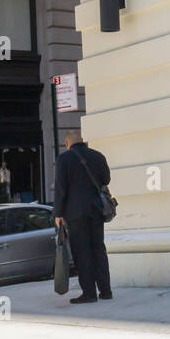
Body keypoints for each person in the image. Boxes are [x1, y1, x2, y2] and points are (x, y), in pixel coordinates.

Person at [53, 130, 112, 304]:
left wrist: (58, 213)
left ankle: (89, 293)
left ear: (67, 143)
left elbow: (60, 188)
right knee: (98, 249)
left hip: (75, 212)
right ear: (83, 141)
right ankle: (106, 290)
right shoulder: (98, 156)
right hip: (97, 210)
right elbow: (106, 179)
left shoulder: (64, 159)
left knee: (82, 252)